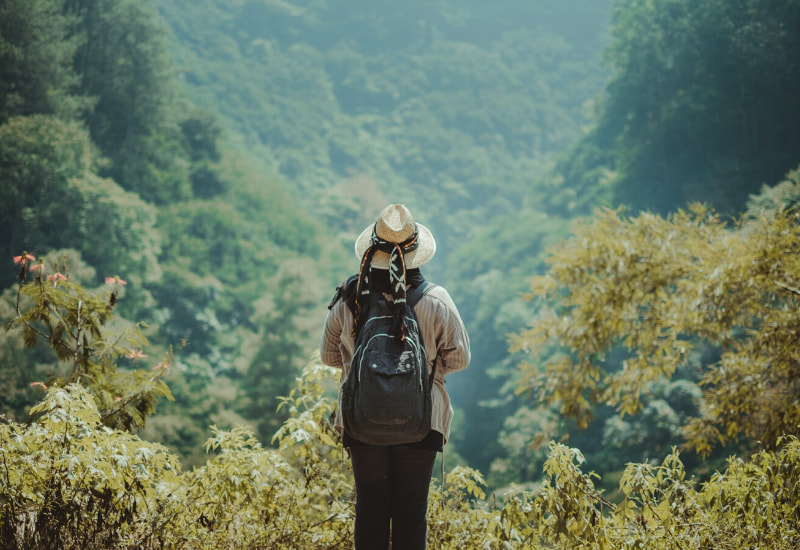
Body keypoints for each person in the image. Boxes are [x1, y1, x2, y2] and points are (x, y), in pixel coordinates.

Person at [320, 203, 470, 550]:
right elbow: (460, 358)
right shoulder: (437, 299)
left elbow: (328, 355)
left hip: (362, 419)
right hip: (423, 419)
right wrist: (421, 373)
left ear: (371, 251)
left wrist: (362, 370)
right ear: (417, 253)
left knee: (370, 511)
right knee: (411, 514)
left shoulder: (349, 298)